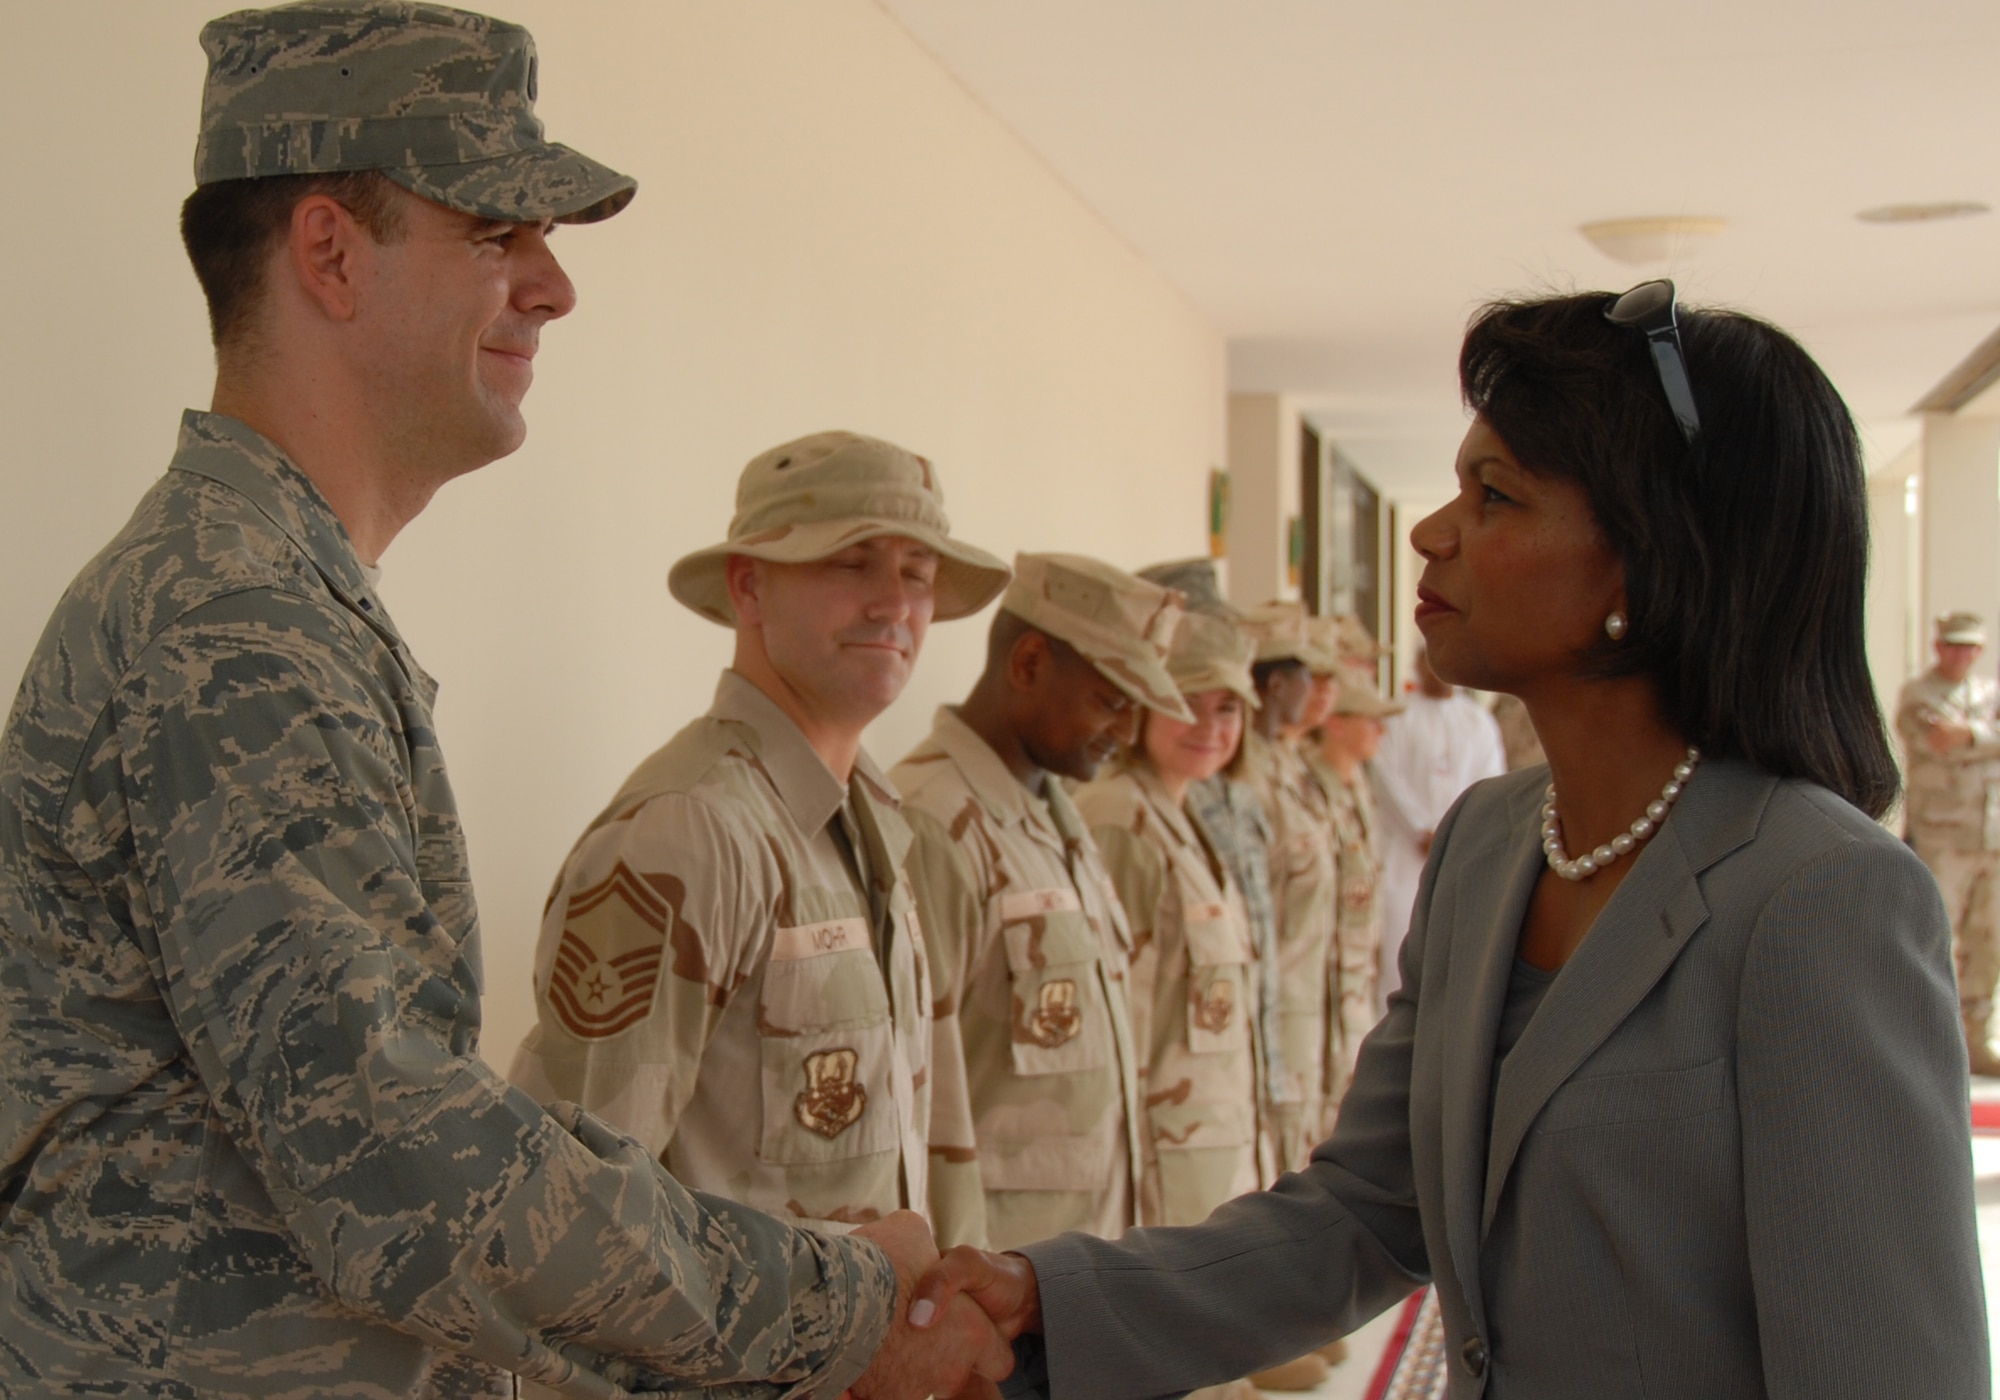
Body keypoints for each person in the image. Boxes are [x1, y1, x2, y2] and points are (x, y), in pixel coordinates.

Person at [0, 9, 1008, 1396]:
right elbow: (403, 1168)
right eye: (496, 234)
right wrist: (835, 1310)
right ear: (330, 254)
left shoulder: (272, 595)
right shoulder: (235, 621)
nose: (552, 288)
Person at [910, 283, 1986, 1400]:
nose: (1431, 532)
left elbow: (1892, 1369)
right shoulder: (1489, 843)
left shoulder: (1818, 896)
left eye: (1494, 495)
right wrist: (1047, 1296)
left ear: (1639, 561)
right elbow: (1368, 1211)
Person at [511, 431, 1009, 1244]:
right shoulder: (689, 831)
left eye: (917, 574)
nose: (894, 603)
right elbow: (573, 1222)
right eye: (851, 562)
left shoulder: (880, 828)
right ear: (749, 588)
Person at [890, 553, 1187, 1252]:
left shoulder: (1059, 813)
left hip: (1076, 1258)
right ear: (1027, 664)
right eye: (1113, 702)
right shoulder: (929, 822)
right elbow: (917, 1094)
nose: (1128, 737)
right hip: (989, 1267)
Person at [1232, 602, 1341, 1175]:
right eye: (1308, 675)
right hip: (1276, 1025)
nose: (1320, 689)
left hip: (1307, 1018)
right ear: (1276, 684)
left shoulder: (1288, 766)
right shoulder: (1245, 779)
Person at [1896, 611, 2000, 1075]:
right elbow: (1938, 740)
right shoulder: (1919, 694)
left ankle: (1978, 1039)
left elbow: (1962, 738)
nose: (1963, 654)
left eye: (1971, 646)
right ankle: (1931, 1042)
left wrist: (1972, 734)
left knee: (1988, 937)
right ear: (1939, 646)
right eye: (1954, 644)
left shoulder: (1987, 693)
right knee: (1934, 936)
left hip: (1989, 835)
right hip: (1942, 836)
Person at [1371, 644, 1506, 1001]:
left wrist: (1456, 833)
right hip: (1403, 855)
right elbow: (1385, 779)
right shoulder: (1396, 715)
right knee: (1399, 950)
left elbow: (1490, 784)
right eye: (1426, 661)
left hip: (1462, 851)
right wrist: (1420, 830)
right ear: (1417, 665)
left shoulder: (1478, 722)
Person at [1304, 661, 1403, 1126]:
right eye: (1370, 718)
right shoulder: (1307, 786)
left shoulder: (1356, 786)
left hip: (1353, 985)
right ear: (1336, 724)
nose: (1381, 730)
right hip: (1313, 993)